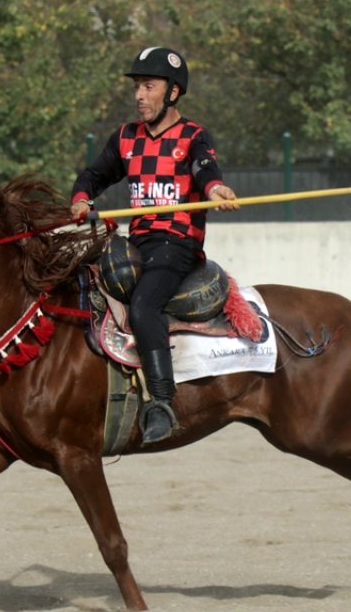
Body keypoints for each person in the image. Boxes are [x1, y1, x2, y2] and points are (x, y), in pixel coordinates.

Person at [70, 47, 238, 444]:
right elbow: (95, 174)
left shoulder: (193, 136)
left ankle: (162, 402)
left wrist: (215, 188)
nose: (139, 96)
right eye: (137, 87)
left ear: (173, 93)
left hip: (177, 246)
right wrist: (81, 198)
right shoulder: (126, 138)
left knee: (145, 306)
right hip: (138, 243)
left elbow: (205, 169)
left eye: (149, 87)